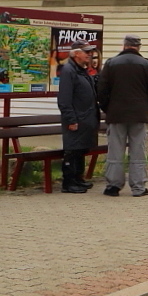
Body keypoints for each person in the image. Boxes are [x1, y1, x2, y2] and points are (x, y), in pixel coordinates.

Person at [97, 35, 148, 197]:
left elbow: (102, 90)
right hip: (139, 114)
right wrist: (147, 107)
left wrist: (108, 108)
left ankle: (113, 186)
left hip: (116, 114)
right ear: (138, 47)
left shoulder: (111, 63)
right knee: (138, 150)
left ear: (124, 46)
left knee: (115, 150)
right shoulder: (147, 64)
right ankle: (138, 187)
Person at [57, 43, 99, 194]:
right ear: (76, 54)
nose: (89, 54)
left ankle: (78, 178)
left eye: (90, 52)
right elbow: (64, 99)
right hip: (76, 119)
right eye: (86, 52)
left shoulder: (82, 71)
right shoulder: (69, 71)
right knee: (72, 150)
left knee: (81, 149)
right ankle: (68, 182)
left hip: (85, 118)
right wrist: (71, 119)